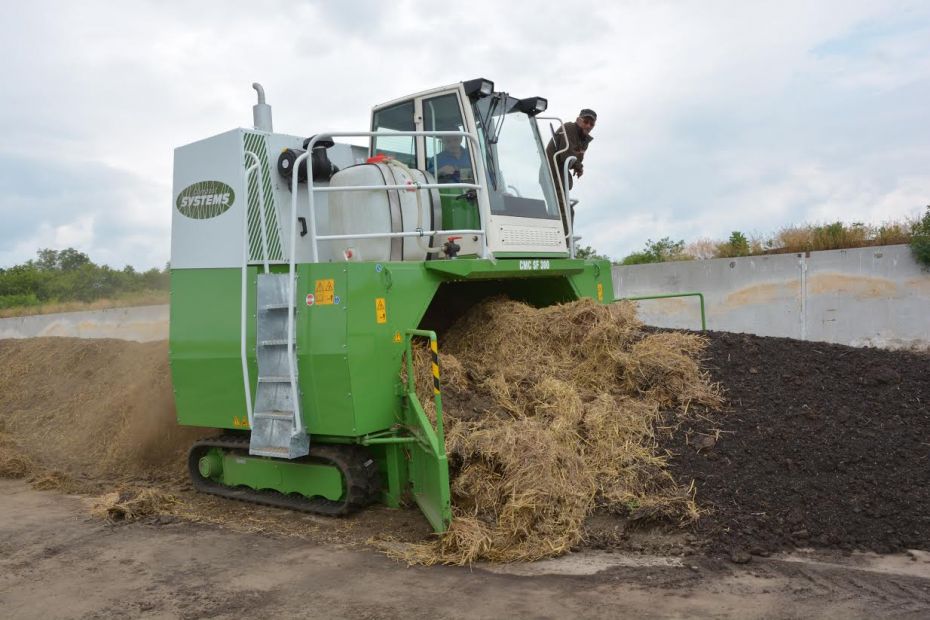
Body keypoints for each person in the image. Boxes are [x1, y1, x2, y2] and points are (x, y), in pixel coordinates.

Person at [545, 109, 596, 224]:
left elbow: (576, 159)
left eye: (591, 124)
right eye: (586, 121)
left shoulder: (584, 140)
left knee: (566, 210)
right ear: (578, 120)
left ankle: (565, 239)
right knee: (563, 211)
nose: (588, 126)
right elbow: (567, 154)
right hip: (551, 173)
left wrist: (578, 165)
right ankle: (565, 241)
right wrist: (579, 167)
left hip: (560, 173)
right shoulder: (569, 128)